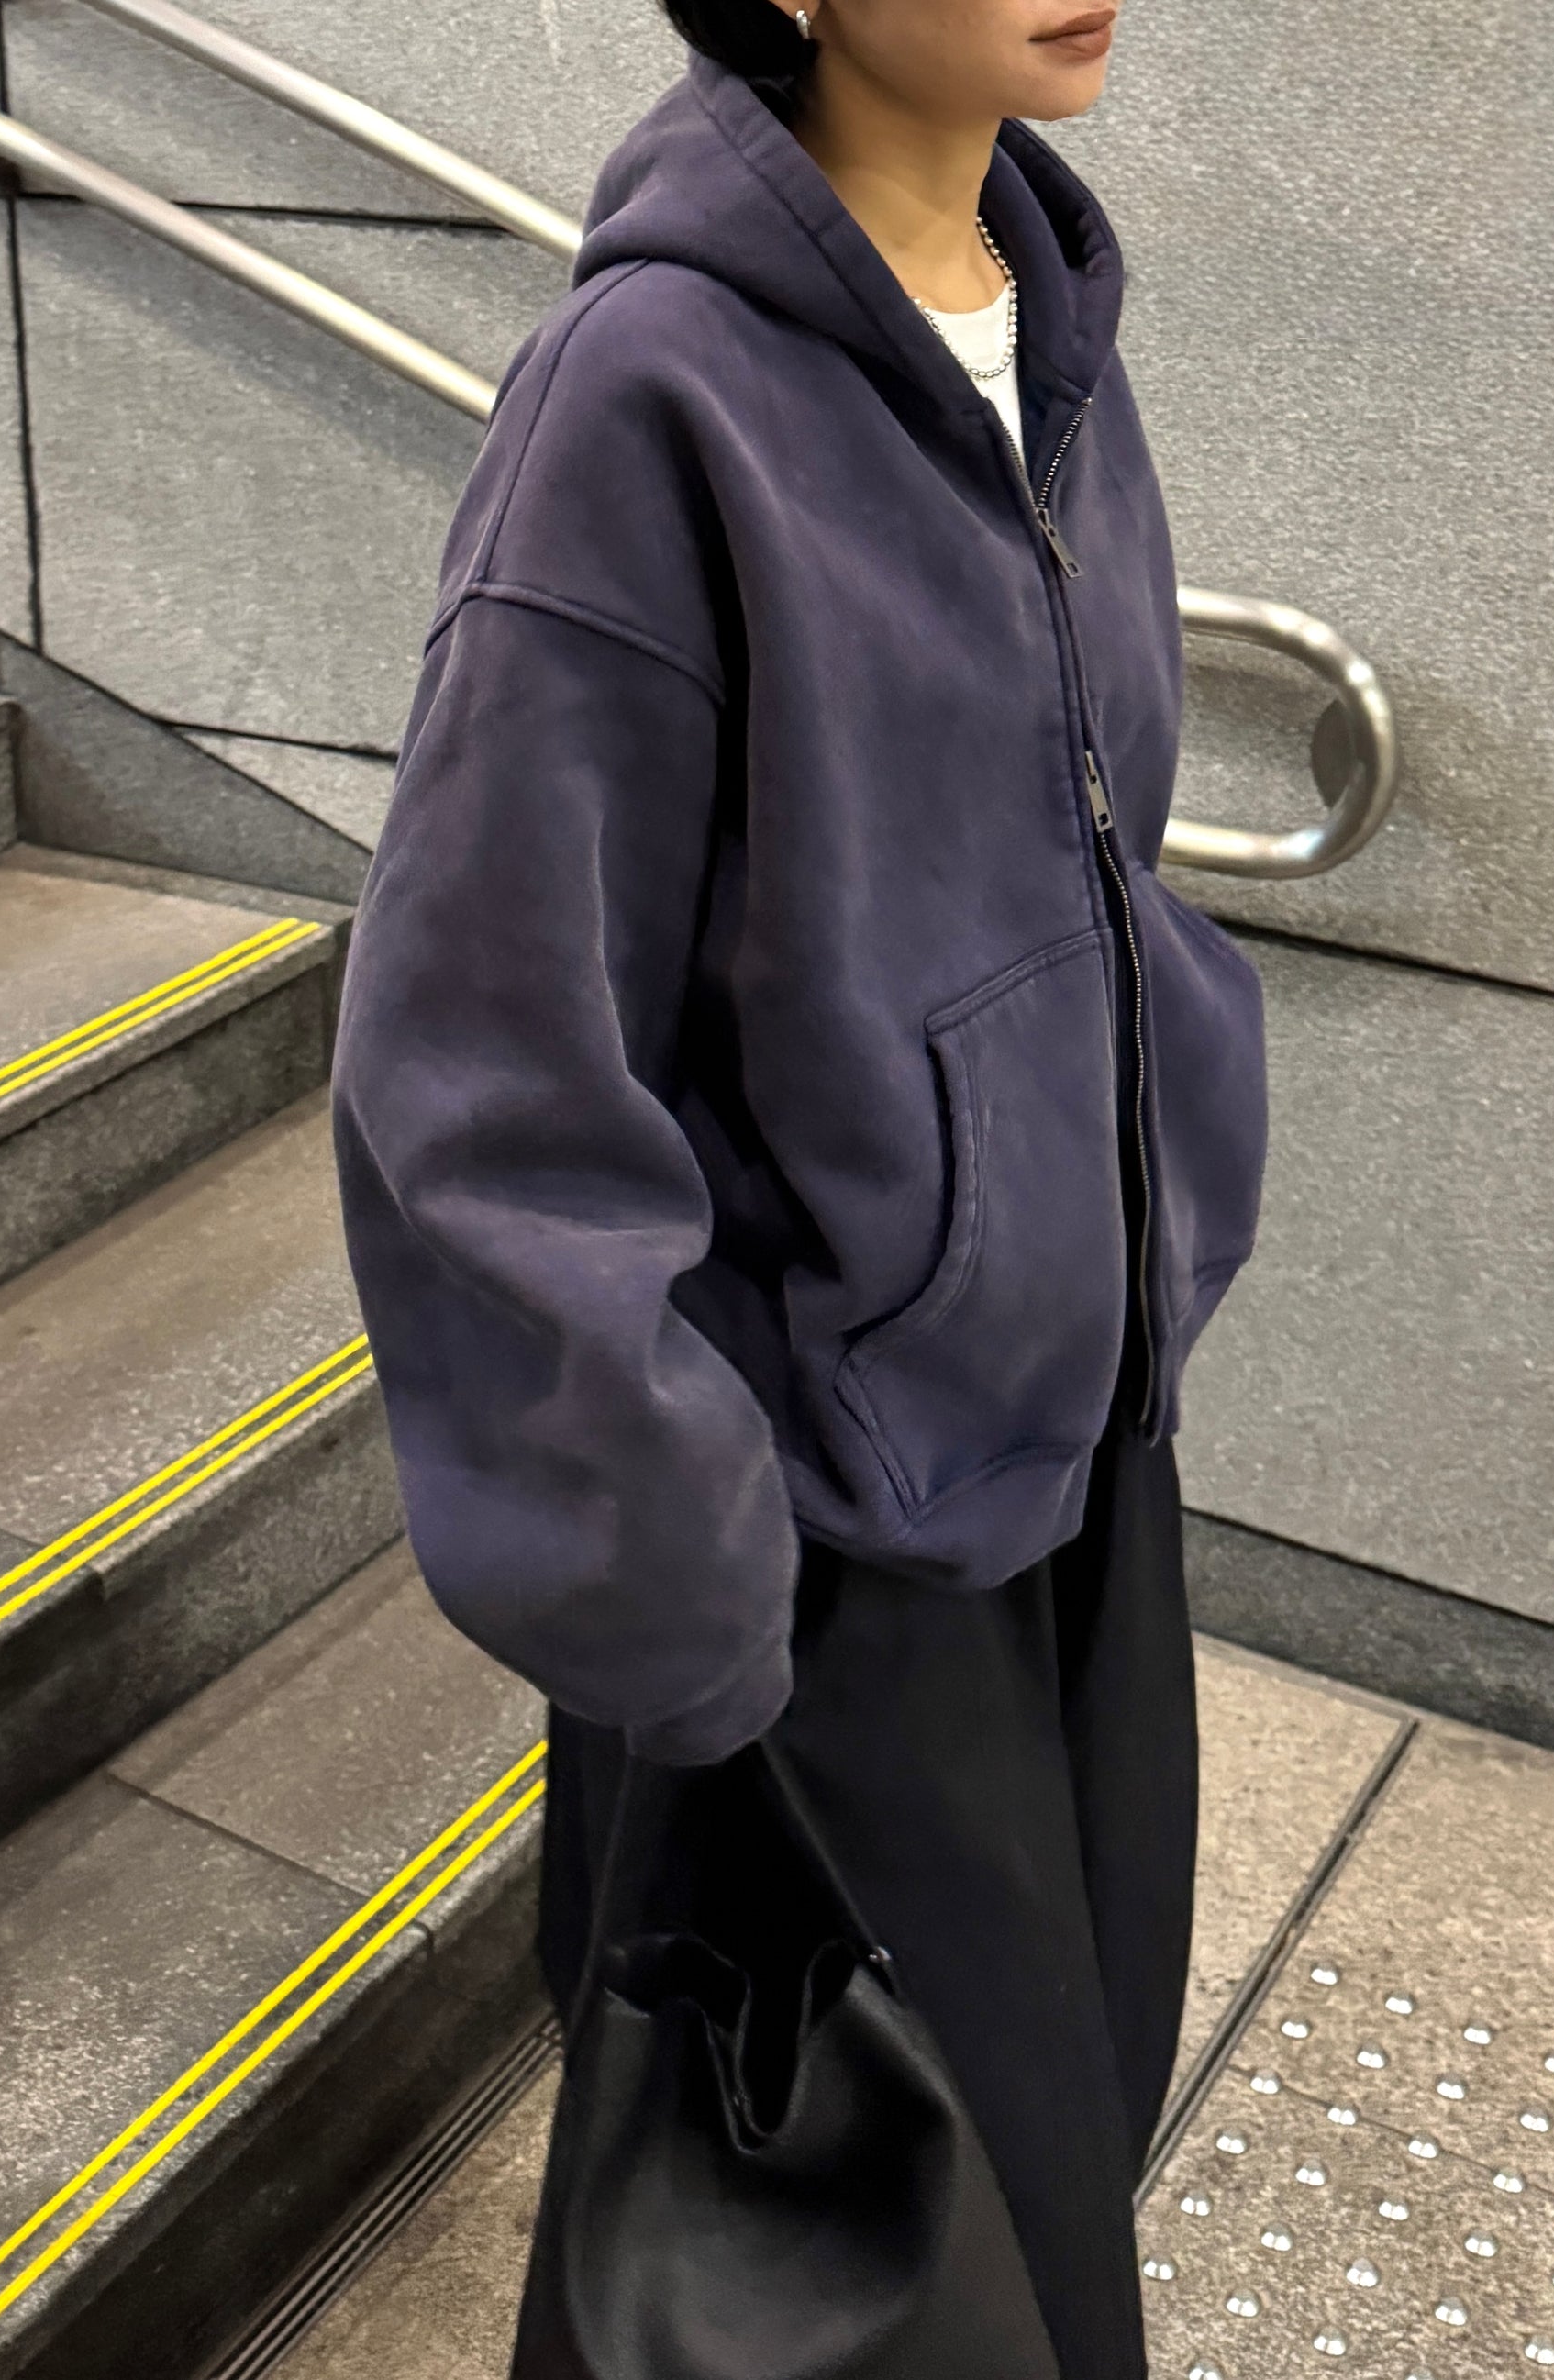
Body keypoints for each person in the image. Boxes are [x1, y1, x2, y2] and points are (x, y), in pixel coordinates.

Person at [330, 2, 1268, 2372]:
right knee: (880, 2283)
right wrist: (688, 1604)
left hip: (1074, 1465)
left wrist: (1160, 1169)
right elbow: (482, 1071)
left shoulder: (1037, 317)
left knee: (1039, 2196)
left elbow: (1089, 853)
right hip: (814, 1554)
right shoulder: (647, 397)